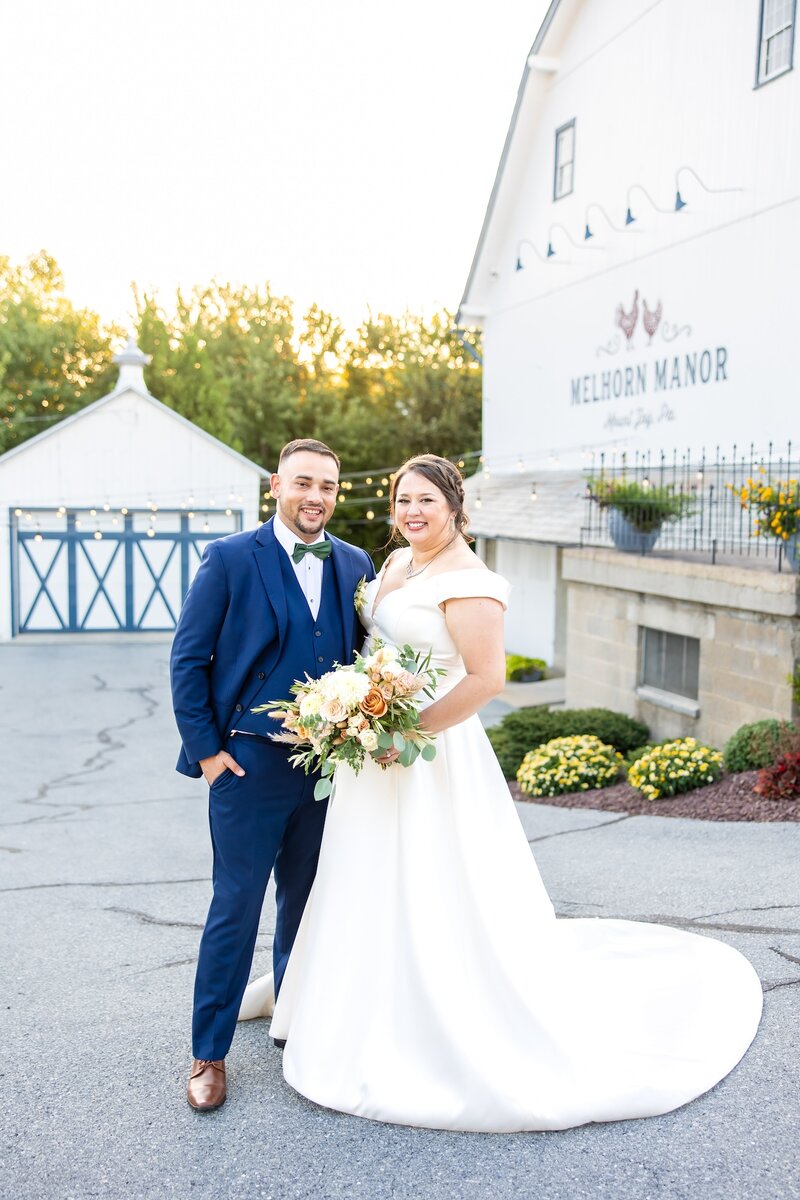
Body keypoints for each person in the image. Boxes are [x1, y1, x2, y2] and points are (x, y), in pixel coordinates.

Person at [240, 452, 763, 1133]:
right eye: (403, 501)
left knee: (433, 876)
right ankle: (345, 995)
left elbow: (485, 679)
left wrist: (405, 731)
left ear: (457, 507)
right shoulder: (397, 565)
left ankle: (430, 1006)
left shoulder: (473, 580)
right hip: (375, 746)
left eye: (427, 500)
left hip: (429, 748)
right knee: (364, 872)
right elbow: (373, 647)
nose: (412, 512)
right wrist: (353, 713)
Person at [170, 438, 374, 1112]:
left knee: (307, 904)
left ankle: (295, 1021)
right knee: (235, 906)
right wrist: (207, 754)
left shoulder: (354, 562)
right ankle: (208, 1054)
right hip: (248, 762)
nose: (316, 496)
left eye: (329, 486)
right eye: (304, 483)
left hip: (323, 769)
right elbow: (188, 658)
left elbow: (363, 661)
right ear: (276, 486)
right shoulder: (230, 559)